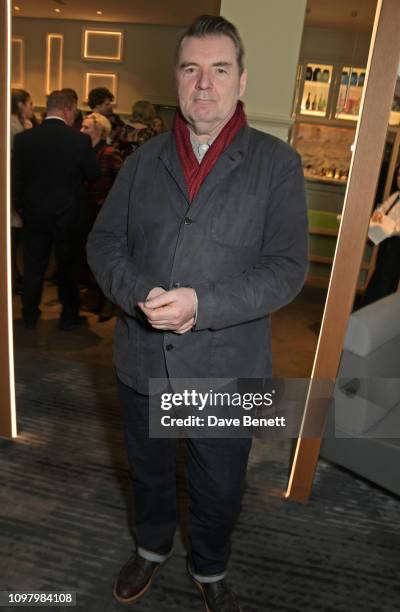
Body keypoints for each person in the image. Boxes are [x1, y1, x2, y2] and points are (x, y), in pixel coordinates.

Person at [87, 14, 308, 612]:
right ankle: (151, 550)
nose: (204, 84)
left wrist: (200, 306)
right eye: (191, 69)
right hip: (142, 360)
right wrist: (138, 295)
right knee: (150, 474)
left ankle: (211, 566)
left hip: (228, 365)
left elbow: (287, 268)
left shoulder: (277, 164)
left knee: (220, 487)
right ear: (177, 79)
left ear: (242, 81)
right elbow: (104, 244)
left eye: (219, 69)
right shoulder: (143, 160)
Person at [12, 89, 99, 330]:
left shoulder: (24, 139)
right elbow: (93, 174)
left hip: (34, 215)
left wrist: (21, 207)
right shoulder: (79, 140)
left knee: (33, 267)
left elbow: (15, 179)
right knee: (67, 268)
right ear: (68, 109)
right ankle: (68, 316)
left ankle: (29, 315)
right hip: (68, 215)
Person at [80, 112, 123, 321]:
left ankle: (106, 301)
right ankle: (92, 298)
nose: (82, 130)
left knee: (100, 256)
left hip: (101, 212)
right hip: (83, 210)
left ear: (98, 131)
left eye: (86, 127)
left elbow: (121, 182)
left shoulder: (108, 152)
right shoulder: (81, 150)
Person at [363, 165, 400, 305]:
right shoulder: (395, 196)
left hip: (396, 248)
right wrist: (378, 215)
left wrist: (387, 224)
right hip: (386, 244)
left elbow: (397, 228)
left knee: (386, 284)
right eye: (398, 175)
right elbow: (381, 209)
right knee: (378, 278)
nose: (399, 179)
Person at [11, 89, 35, 294]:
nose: (32, 108)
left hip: (24, 185)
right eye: (30, 104)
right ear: (20, 105)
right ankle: (12, 277)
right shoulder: (11, 125)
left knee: (18, 238)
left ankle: (16, 275)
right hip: (13, 184)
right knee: (11, 237)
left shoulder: (26, 125)